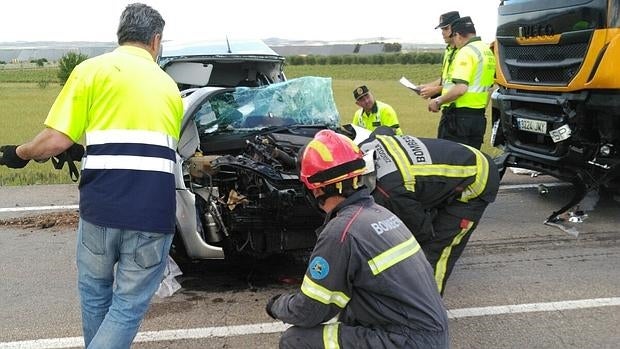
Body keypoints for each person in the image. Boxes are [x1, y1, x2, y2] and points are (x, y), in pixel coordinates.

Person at [0, 3, 184, 348]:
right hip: (151, 216)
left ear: (120, 35)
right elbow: (152, 149)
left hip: (102, 210)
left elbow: (55, 141)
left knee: (95, 296)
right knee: (127, 307)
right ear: (156, 41)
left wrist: (19, 153)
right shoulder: (169, 87)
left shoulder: (92, 71)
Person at [265, 129, 449, 349]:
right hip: (430, 337)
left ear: (316, 190)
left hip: (406, 341)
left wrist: (277, 305)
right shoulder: (382, 214)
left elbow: (310, 310)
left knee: (295, 340)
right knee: (347, 314)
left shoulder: (341, 232)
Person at [353, 125, 500, 295]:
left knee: (436, 251)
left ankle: (430, 312)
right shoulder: (366, 145)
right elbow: (384, 130)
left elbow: (422, 232)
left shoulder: (390, 192)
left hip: (476, 180)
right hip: (454, 160)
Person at [428, 16, 496, 149]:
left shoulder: (466, 52)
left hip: (458, 118)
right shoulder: (486, 51)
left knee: (449, 160)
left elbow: (460, 88)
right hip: (478, 117)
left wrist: (438, 101)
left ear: (458, 35)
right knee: (472, 161)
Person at [418, 11, 461, 100]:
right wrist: (426, 87)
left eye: (446, 29)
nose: (442, 33)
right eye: (442, 29)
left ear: (456, 28)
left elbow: (461, 85)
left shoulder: (464, 52)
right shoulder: (449, 50)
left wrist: (435, 90)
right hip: (449, 106)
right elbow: (445, 81)